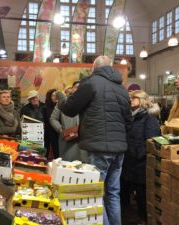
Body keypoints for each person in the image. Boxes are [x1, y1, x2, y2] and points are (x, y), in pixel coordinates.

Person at [56, 55, 132, 225]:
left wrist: (61, 98)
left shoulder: (91, 83)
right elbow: (128, 121)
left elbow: (70, 109)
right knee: (113, 192)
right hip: (119, 149)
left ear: (93, 67)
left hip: (99, 147)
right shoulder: (122, 89)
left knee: (95, 192)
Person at [121, 90, 161, 225]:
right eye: (130, 98)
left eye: (134, 98)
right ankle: (136, 214)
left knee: (142, 191)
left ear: (143, 100)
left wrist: (140, 154)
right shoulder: (132, 116)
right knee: (133, 190)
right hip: (130, 158)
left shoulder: (149, 117)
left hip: (140, 160)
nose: (131, 100)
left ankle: (144, 217)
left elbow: (152, 139)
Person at [50, 81, 87, 162]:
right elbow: (53, 119)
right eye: (76, 87)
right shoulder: (64, 102)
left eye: (80, 87)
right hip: (67, 140)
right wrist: (60, 130)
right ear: (72, 89)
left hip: (82, 141)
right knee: (66, 165)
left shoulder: (87, 103)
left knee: (81, 168)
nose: (78, 89)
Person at [44, 89, 59, 159]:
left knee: (58, 153)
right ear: (49, 97)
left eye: (56, 95)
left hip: (59, 132)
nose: (55, 97)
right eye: (52, 95)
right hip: (49, 133)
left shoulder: (62, 106)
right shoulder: (46, 107)